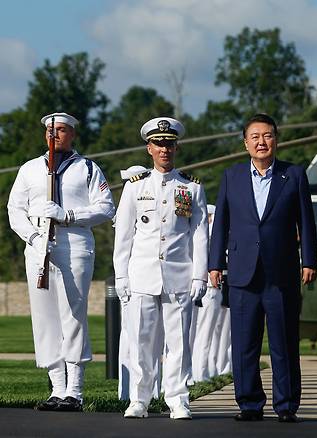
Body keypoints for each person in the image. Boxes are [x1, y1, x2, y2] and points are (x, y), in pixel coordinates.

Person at [208, 113, 317, 423]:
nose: (261, 141)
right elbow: (221, 224)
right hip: (243, 273)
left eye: (267, 135)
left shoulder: (293, 175)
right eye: (255, 136)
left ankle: (286, 405)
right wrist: (215, 263)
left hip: (281, 273)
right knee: (245, 344)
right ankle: (249, 403)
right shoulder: (231, 177)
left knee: (283, 343)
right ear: (245, 143)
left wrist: (308, 259)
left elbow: (306, 222)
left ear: (276, 140)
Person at [7, 112, 115, 411]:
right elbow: (15, 209)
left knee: (72, 316)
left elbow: (106, 208)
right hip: (39, 248)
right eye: (50, 130)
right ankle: (57, 388)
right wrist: (32, 236)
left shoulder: (87, 169)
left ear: (72, 135)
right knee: (45, 320)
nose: (54, 135)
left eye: (61, 130)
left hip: (75, 246)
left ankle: (75, 391)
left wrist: (68, 216)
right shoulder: (29, 169)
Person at [113, 117, 208, 420]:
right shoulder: (135, 188)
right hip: (142, 275)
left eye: (169, 144)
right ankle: (140, 398)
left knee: (179, 342)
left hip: (179, 274)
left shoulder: (191, 187)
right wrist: (121, 274)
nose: (164, 149)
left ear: (176, 146)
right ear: (149, 149)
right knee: (141, 340)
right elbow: (124, 234)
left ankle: (178, 399)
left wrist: (199, 275)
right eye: (158, 144)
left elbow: (200, 234)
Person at [116, 165, 163, 401]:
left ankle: (152, 393)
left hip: (155, 277)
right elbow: (123, 241)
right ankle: (131, 394)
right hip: (137, 277)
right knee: (133, 339)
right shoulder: (132, 193)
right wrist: (121, 276)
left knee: (151, 340)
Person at [190, 204, 223, 383]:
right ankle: (199, 373)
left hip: (212, 288)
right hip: (209, 288)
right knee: (203, 334)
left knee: (208, 334)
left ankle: (202, 371)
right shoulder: (208, 232)